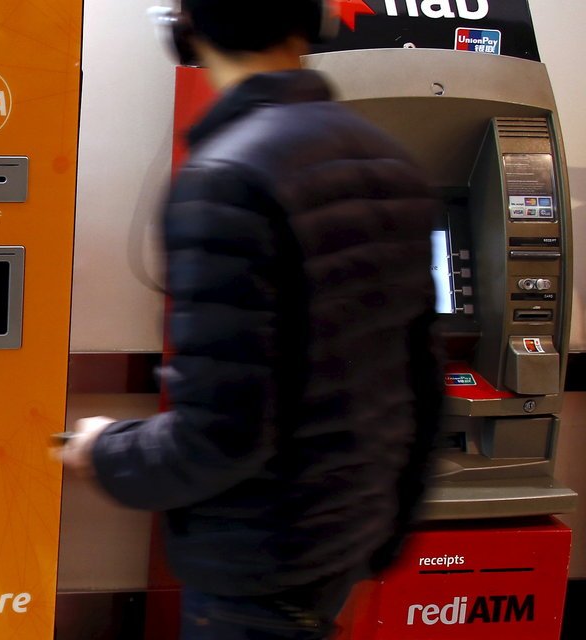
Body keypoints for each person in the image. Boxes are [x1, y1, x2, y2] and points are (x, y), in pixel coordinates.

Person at [59, 1, 444, 638]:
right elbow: (423, 386)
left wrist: (106, 452)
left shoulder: (224, 178)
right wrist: (382, 539)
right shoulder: (391, 163)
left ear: (186, 30)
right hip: (344, 541)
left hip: (257, 562)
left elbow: (222, 433)